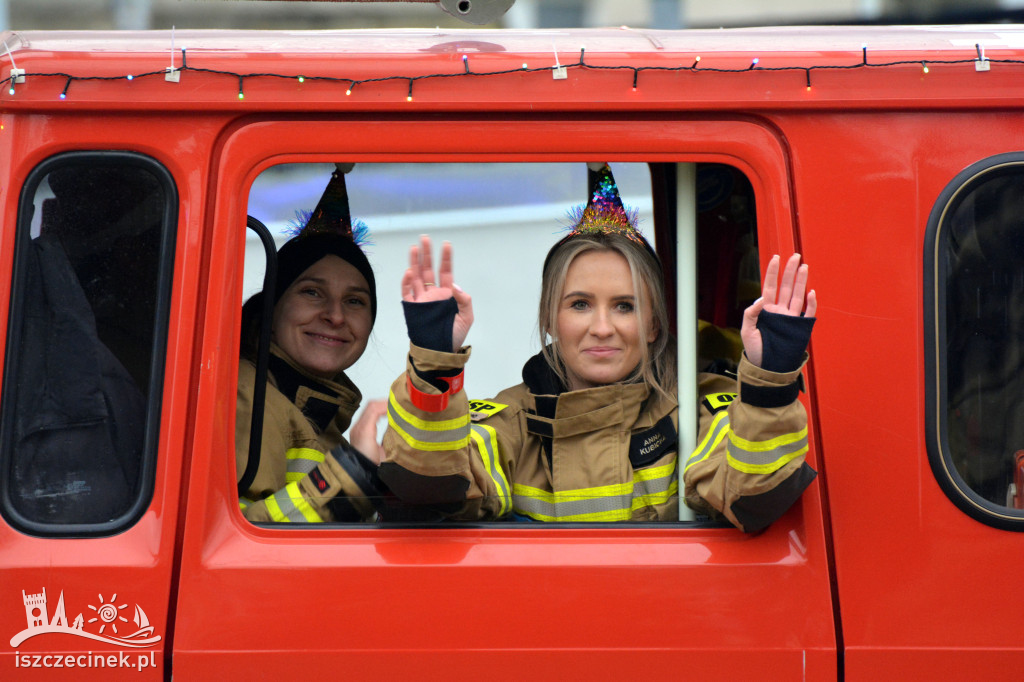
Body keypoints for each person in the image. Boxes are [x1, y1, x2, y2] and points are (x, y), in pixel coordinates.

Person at [375, 163, 817, 530]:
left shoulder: (700, 410)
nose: (602, 327)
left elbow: (752, 498)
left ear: (654, 325)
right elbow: (432, 485)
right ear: (550, 319)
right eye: (580, 304)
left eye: (625, 306)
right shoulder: (510, 423)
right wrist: (435, 365)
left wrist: (769, 386)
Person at [236, 165, 389, 523]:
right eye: (312, 292)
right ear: (272, 308)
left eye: (354, 301)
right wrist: (353, 473)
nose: (335, 316)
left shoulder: (321, 419)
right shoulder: (249, 399)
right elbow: (238, 542)